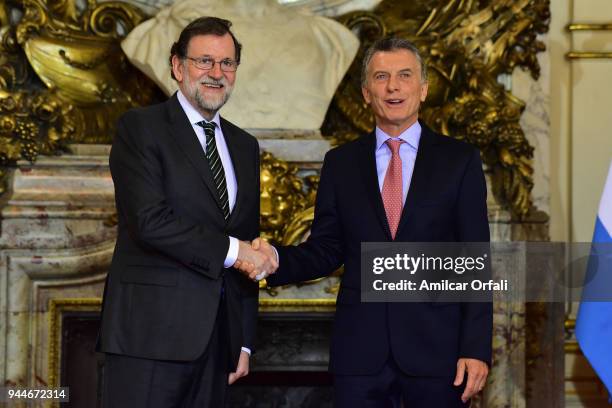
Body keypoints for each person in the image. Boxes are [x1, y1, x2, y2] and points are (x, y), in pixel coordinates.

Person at [241, 37, 493, 407]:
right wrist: (275, 260)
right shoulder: (341, 164)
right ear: (365, 92)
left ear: (422, 89)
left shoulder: (460, 161)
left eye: (405, 75)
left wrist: (475, 348)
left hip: (437, 352)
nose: (393, 86)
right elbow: (326, 249)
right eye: (381, 76)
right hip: (360, 356)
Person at [97, 16, 277, 408]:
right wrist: (238, 252)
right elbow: (150, 221)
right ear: (178, 66)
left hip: (217, 344)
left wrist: (244, 340)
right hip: (148, 338)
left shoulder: (244, 145)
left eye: (227, 63)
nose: (217, 73)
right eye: (204, 61)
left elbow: (245, 238)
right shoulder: (140, 128)